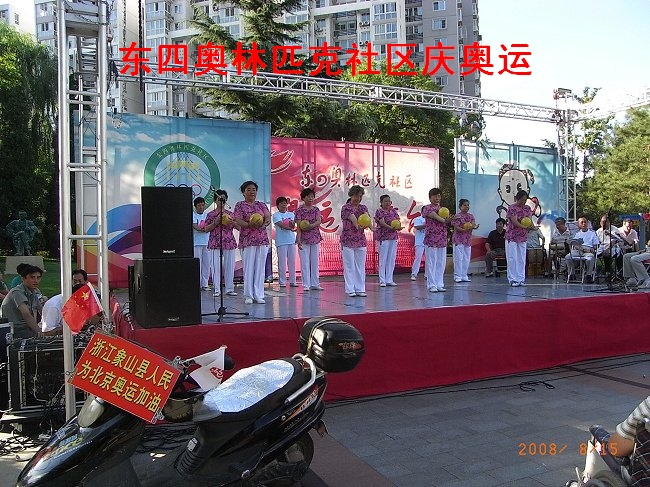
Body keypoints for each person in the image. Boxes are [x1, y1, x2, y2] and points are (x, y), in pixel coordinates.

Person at [233, 181, 271, 305]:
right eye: (248, 189)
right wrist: (249, 224)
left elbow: (267, 217)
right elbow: (238, 219)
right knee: (249, 268)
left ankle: (258, 295)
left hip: (261, 239)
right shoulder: (240, 205)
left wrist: (264, 223)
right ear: (243, 192)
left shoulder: (261, 205)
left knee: (260, 268)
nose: (251, 192)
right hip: (247, 240)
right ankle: (248, 295)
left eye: (254, 189)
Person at [204, 189, 239, 297]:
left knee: (230, 266)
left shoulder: (230, 214)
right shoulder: (211, 214)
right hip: (215, 242)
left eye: (224, 198)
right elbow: (206, 229)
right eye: (219, 199)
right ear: (215, 200)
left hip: (229, 242)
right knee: (215, 266)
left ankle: (229, 289)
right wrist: (216, 221)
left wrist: (233, 222)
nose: (221, 201)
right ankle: (217, 289)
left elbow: (239, 227)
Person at [0, 264, 46, 338]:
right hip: (15, 330)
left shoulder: (33, 291)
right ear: (23, 278)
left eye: (38, 277)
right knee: (49, 337)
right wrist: (39, 332)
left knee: (53, 332)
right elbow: (26, 314)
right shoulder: (17, 292)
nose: (36, 280)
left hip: (26, 328)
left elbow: (42, 310)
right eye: (32, 277)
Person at [340, 185, 370, 297]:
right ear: (351, 195)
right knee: (349, 266)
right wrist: (358, 225)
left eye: (361, 196)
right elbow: (353, 218)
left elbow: (367, 218)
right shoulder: (346, 207)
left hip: (360, 240)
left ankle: (360, 288)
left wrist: (371, 226)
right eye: (356, 196)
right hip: (348, 240)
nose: (358, 198)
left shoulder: (363, 207)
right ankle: (350, 289)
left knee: (360, 266)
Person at [295, 188, 323, 291]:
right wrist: (298, 238)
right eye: (308, 196)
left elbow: (318, 221)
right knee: (305, 262)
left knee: (314, 262)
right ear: (303, 198)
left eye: (312, 196)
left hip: (315, 237)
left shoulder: (316, 209)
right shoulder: (299, 210)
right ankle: (306, 284)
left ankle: (315, 283)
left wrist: (311, 225)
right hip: (304, 238)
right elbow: (299, 225)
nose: (311, 198)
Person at [422, 188, 450, 292]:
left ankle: (439, 284)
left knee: (441, 262)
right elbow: (434, 216)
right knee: (431, 262)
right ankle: (431, 284)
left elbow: (447, 220)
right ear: (430, 198)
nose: (437, 198)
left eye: (439, 196)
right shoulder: (427, 208)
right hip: (431, 238)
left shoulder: (443, 209)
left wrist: (448, 220)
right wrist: (445, 220)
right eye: (435, 196)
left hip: (441, 238)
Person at [505, 189, 534, 287]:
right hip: (512, 235)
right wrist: (525, 227)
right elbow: (514, 221)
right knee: (512, 258)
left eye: (525, 200)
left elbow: (529, 220)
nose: (523, 202)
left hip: (522, 236)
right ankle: (513, 279)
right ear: (517, 199)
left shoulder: (527, 208)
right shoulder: (512, 208)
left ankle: (521, 278)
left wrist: (532, 226)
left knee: (521, 258)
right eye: (521, 200)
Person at [374, 194, 402, 287]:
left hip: (393, 237)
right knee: (383, 259)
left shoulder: (393, 211)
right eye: (385, 201)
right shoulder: (379, 211)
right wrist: (391, 228)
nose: (387, 203)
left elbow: (398, 221)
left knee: (391, 258)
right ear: (381, 202)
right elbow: (382, 222)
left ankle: (389, 279)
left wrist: (397, 227)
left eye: (389, 201)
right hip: (383, 237)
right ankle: (382, 280)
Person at [272, 196, 298, 287]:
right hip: (281, 241)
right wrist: (290, 228)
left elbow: (293, 225)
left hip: (291, 240)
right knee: (282, 263)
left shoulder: (291, 214)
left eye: (285, 203)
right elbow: (281, 224)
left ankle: (293, 281)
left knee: (292, 262)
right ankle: (282, 281)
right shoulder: (276, 215)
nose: (284, 205)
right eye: (281, 203)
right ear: (278, 205)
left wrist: (292, 226)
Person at [451, 198, 477, 283]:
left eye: (468, 205)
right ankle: (457, 276)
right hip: (458, 239)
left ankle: (464, 275)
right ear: (460, 206)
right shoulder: (457, 216)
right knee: (458, 258)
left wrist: (474, 226)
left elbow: (473, 224)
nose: (467, 207)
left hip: (467, 239)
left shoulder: (471, 216)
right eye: (465, 205)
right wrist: (464, 229)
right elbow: (456, 227)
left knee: (466, 258)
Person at [566, 216, 599, 282]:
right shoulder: (576, 234)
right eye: (582, 222)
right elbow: (575, 244)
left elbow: (596, 245)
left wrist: (592, 249)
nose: (584, 224)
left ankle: (589, 275)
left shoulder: (592, 233)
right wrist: (582, 249)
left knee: (590, 258)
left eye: (585, 222)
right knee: (568, 257)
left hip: (588, 250)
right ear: (579, 224)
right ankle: (572, 274)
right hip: (578, 250)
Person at [192, 196, 212, 291]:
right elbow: (195, 226)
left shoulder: (208, 215)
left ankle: (205, 284)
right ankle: (197, 284)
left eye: (203, 205)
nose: (201, 207)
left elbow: (211, 225)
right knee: (198, 263)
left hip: (207, 242)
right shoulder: (193, 215)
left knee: (206, 264)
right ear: (195, 206)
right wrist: (204, 229)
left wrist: (206, 229)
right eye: (199, 205)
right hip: (196, 243)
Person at [410, 215, 426, 281]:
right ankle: (414, 274)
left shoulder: (431, 219)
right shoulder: (419, 219)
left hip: (429, 242)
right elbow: (417, 227)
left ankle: (427, 275)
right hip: (420, 242)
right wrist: (427, 225)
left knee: (429, 259)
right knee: (418, 258)